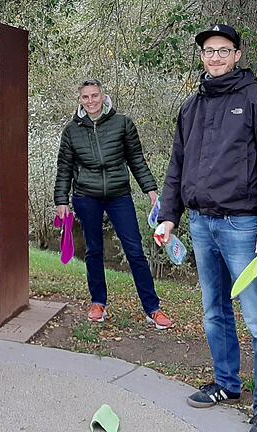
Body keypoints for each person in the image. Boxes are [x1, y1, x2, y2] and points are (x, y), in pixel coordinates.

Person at [157, 24, 257, 432]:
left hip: (244, 226)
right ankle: (227, 384)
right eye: (209, 51)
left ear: (237, 55)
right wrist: (169, 214)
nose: (215, 57)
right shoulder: (191, 107)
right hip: (201, 225)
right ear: (202, 56)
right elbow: (177, 166)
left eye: (223, 50)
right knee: (215, 312)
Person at [54, 79, 174, 329]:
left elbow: (136, 159)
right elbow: (64, 167)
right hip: (86, 196)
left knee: (135, 251)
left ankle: (153, 308)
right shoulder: (71, 130)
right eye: (85, 97)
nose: (90, 101)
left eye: (94, 96)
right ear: (80, 100)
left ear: (103, 96)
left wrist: (151, 190)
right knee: (94, 250)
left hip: (119, 195)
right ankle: (98, 302)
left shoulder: (122, 124)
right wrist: (61, 200)